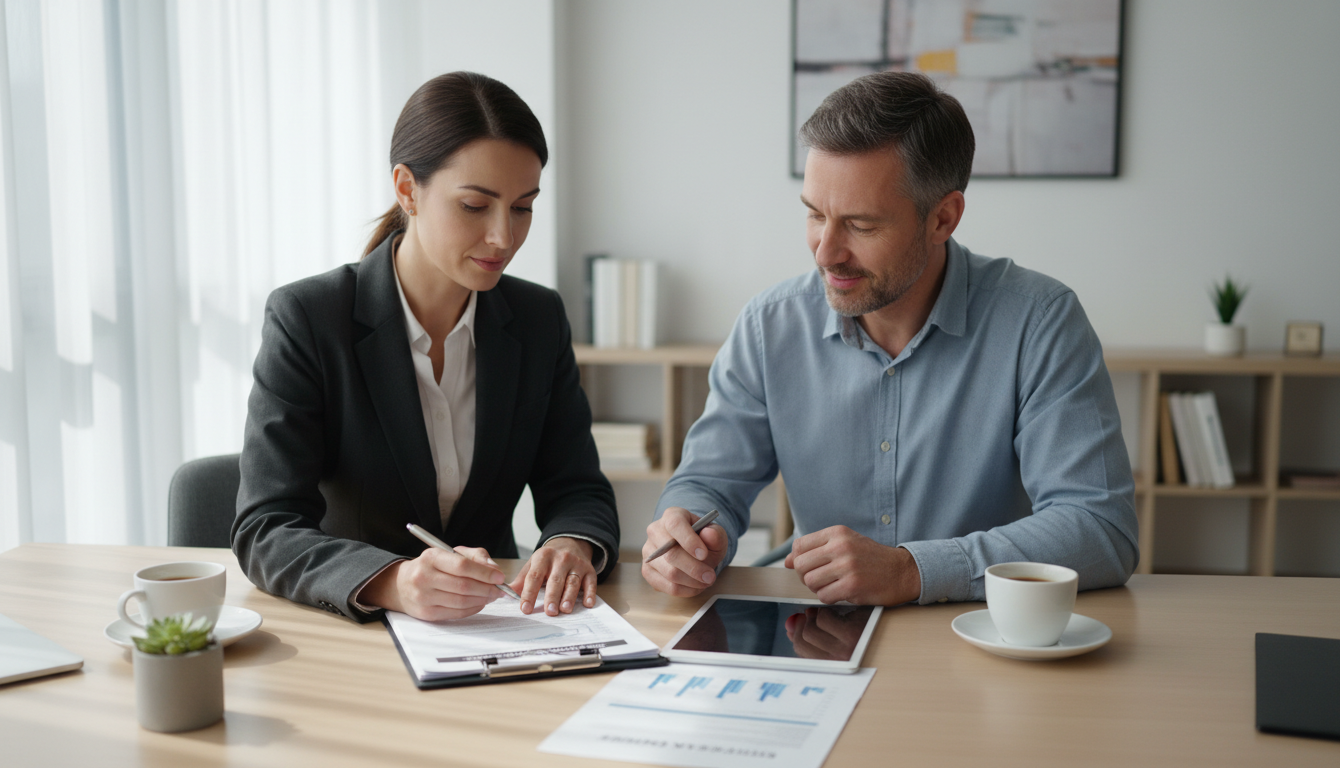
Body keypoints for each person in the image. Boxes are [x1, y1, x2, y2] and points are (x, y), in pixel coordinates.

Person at [642, 72, 1137, 606]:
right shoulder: (769, 326)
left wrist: (912, 571)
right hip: (819, 630)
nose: (825, 253)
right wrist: (684, 530)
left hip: (981, 633)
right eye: (814, 214)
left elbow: (1100, 528)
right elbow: (709, 484)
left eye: (860, 225)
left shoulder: (1039, 322)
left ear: (942, 218)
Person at [234, 72, 618, 623]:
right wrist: (392, 580)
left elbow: (578, 487)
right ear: (408, 189)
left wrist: (571, 543)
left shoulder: (538, 320)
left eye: (522, 207)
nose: (503, 238)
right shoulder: (309, 318)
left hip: (494, 633)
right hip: (350, 635)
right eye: (474, 206)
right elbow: (264, 528)